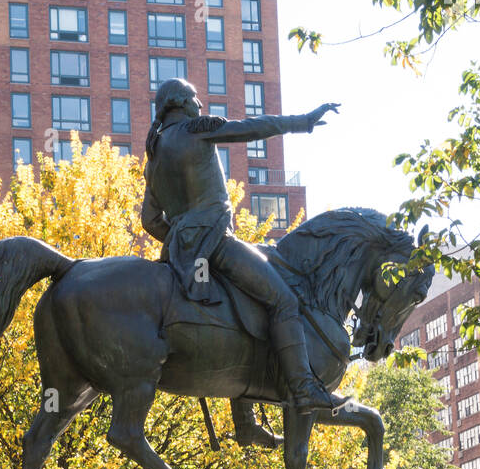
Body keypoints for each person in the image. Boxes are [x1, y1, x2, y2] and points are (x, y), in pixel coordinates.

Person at [142, 78, 343, 414]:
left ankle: (246, 416)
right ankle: (304, 387)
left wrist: (183, 240)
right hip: (217, 242)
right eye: (195, 97)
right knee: (284, 301)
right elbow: (252, 128)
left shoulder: (154, 157)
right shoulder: (197, 129)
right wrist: (303, 122)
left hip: (182, 253)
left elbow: (150, 220)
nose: (200, 105)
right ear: (180, 102)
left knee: (243, 311)